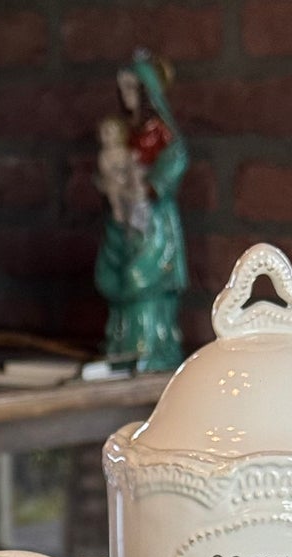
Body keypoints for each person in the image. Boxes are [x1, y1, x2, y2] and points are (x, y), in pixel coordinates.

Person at [94, 50, 188, 370]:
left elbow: (177, 159)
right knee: (119, 275)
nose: (127, 95)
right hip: (124, 216)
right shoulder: (124, 131)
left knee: (143, 277)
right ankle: (123, 345)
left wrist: (150, 186)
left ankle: (150, 346)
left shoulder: (160, 131)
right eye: (123, 89)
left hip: (152, 220)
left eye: (133, 88)